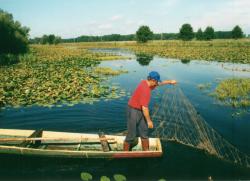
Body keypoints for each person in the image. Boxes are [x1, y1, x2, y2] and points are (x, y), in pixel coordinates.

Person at [124, 71, 177, 151]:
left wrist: (170, 81)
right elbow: (145, 108)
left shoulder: (146, 82)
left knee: (144, 132)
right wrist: (149, 121)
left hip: (140, 111)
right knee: (131, 135)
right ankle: (125, 153)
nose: (157, 83)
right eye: (156, 81)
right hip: (133, 110)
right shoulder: (146, 90)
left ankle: (146, 151)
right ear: (152, 80)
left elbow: (159, 83)